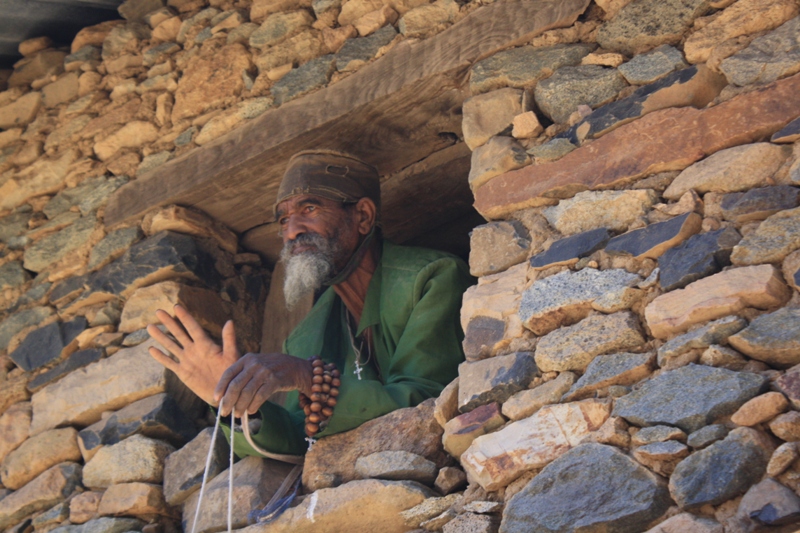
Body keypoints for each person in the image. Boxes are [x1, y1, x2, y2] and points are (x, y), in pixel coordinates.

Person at [147, 150, 472, 457]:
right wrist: (233, 400)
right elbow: (302, 438)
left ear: (363, 216)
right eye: (283, 220)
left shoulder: (431, 278)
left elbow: (428, 400)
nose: (291, 232)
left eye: (309, 210)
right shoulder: (305, 335)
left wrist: (307, 377)